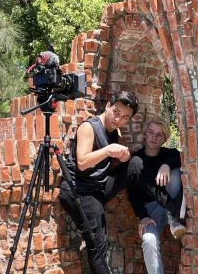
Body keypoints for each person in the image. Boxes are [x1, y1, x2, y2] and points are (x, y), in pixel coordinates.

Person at [59, 92, 184, 274]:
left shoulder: (113, 132)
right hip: (79, 191)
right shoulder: (89, 127)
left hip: (99, 187)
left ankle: (172, 208)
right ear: (108, 105)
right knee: (98, 245)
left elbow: (177, 157)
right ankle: (173, 208)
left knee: (134, 163)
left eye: (125, 117)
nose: (118, 119)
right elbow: (82, 162)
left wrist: (122, 157)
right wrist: (109, 150)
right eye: (116, 112)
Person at [127, 116, 186, 274]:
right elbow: (131, 193)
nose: (154, 137)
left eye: (159, 135)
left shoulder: (169, 154)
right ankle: (172, 217)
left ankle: (173, 218)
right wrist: (143, 216)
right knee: (148, 240)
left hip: (170, 201)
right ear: (144, 134)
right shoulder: (136, 159)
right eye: (151, 132)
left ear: (165, 139)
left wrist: (166, 164)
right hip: (153, 211)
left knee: (175, 173)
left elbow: (183, 157)